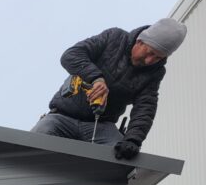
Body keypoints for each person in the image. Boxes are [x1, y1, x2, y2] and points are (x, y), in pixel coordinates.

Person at [32, 18, 187, 159]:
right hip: (62, 117)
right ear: (140, 41)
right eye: (150, 53)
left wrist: (133, 139)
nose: (149, 60)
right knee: (39, 137)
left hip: (102, 127)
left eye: (158, 58)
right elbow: (71, 55)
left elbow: (145, 107)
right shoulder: (114, 38)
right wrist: (96, 78)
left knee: (122, 159)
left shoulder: (155, 72)